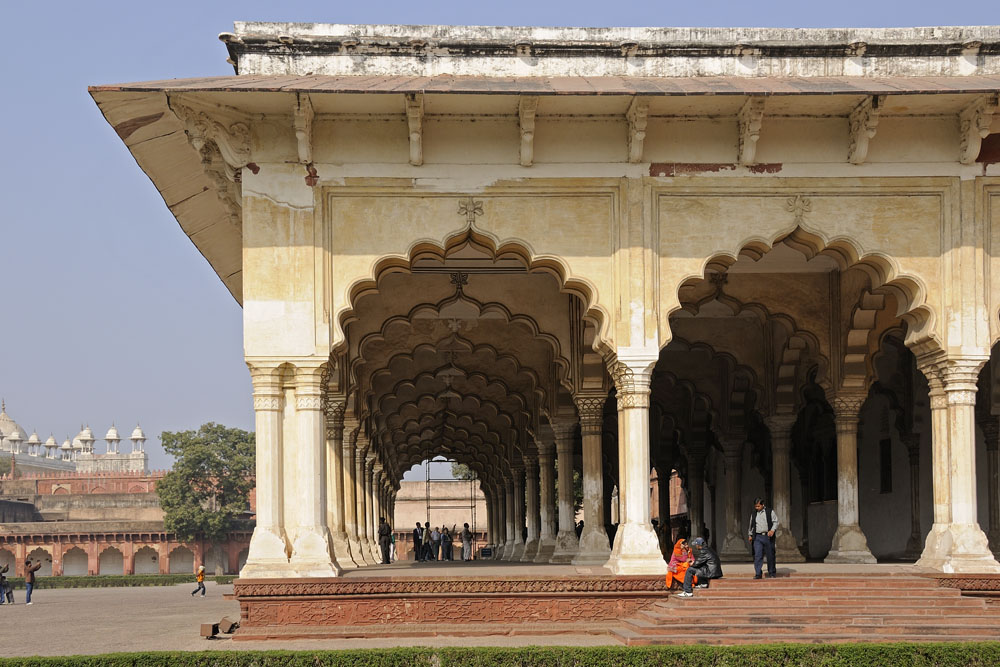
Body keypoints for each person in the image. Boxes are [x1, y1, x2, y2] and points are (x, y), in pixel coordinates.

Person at [747, 497, 779, 579]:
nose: (757, 508)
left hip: (768, 537)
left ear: (762, 505)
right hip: (757, 537)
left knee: (770, 555)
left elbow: (776, 522)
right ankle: (758, 573)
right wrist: (750, 535)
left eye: (758, 506)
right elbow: (751, 525)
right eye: (755, 506)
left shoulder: (769, 512)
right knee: (758, 555)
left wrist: (772, 530)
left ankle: (771, 572)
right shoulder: (754, 514)